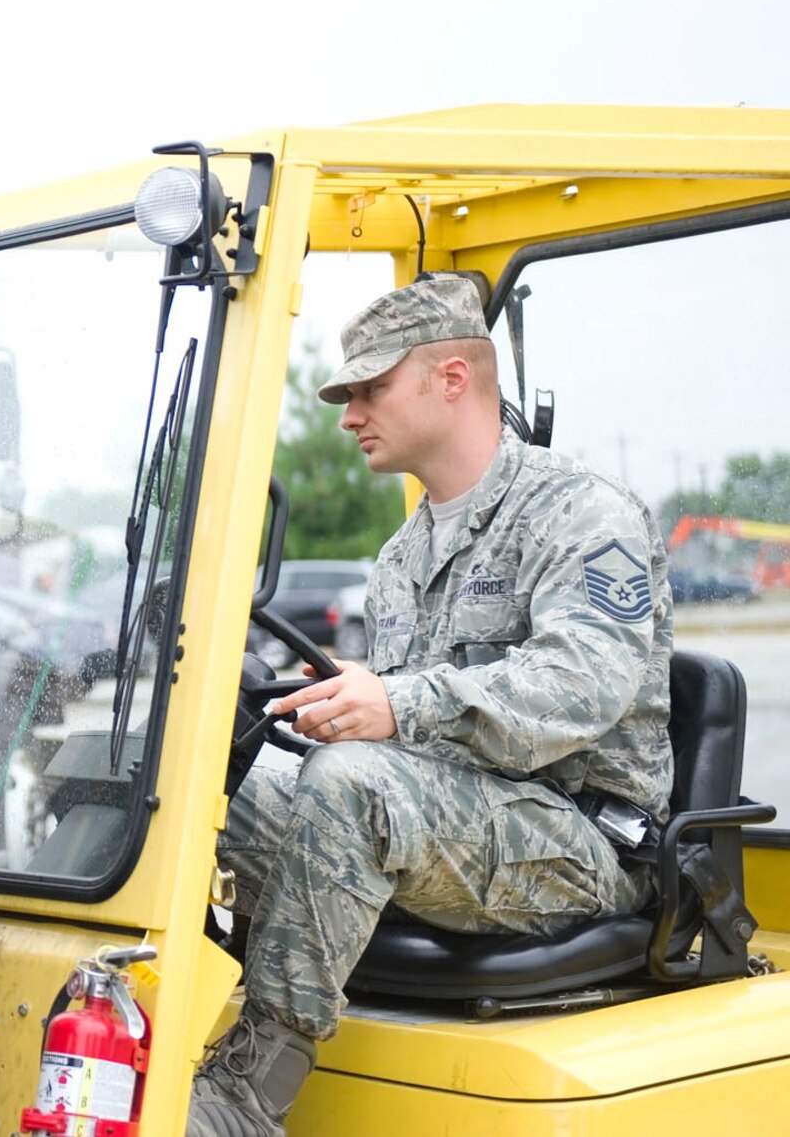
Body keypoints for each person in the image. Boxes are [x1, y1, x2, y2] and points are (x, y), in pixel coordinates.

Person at [186, 276, 673, 1137]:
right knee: (200, 788)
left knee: (352, 789)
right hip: (453, 834)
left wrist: (396, 705)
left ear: (450, 378)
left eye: (370, 387)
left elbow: (581, 684)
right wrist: (343, 701)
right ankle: (150, 1031)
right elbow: (411, 731)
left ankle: (243, 1097)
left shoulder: (582, 514)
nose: (348, 412)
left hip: (579, 839)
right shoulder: (400, 558)